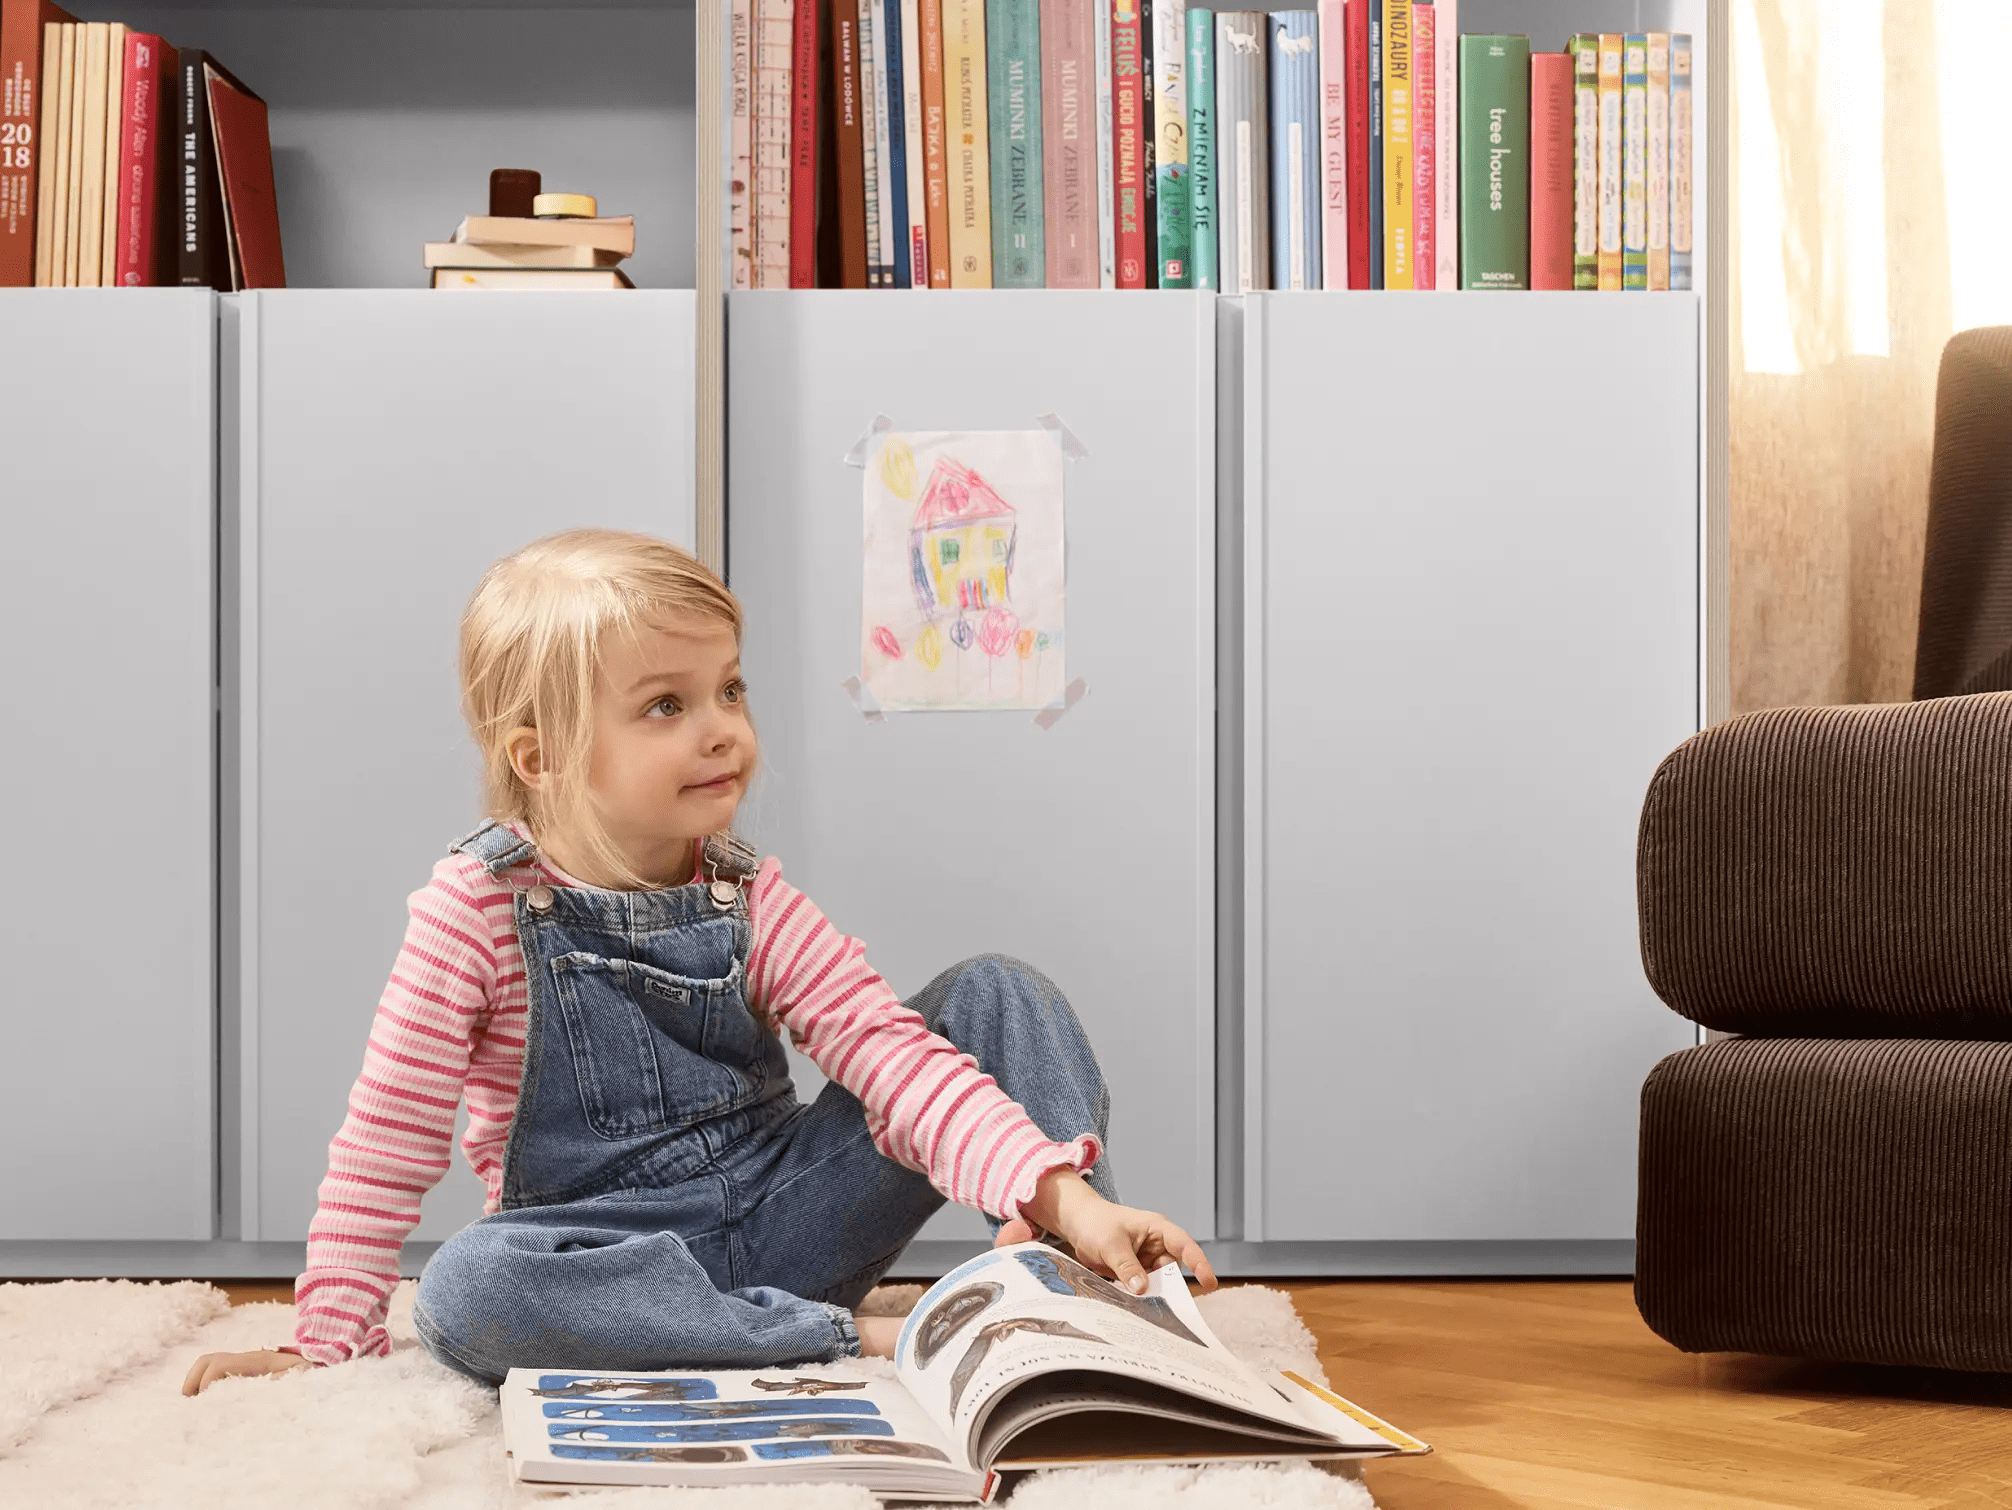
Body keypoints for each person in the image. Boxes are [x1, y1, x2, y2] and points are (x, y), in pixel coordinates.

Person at [182, 528, 1214, 1395]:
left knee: (994, 991)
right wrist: (325, 1346)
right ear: (537, 756)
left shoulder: (746, 892)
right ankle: (833, 1339)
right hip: (602, 1261)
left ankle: (1078, 1274)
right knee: (464, 1291)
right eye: (667, 706)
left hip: (789, 1217)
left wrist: (1058, 1193)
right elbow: (385, 1142)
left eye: (728, 688)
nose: (723, 730)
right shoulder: (473, 909)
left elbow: (888, 1057)